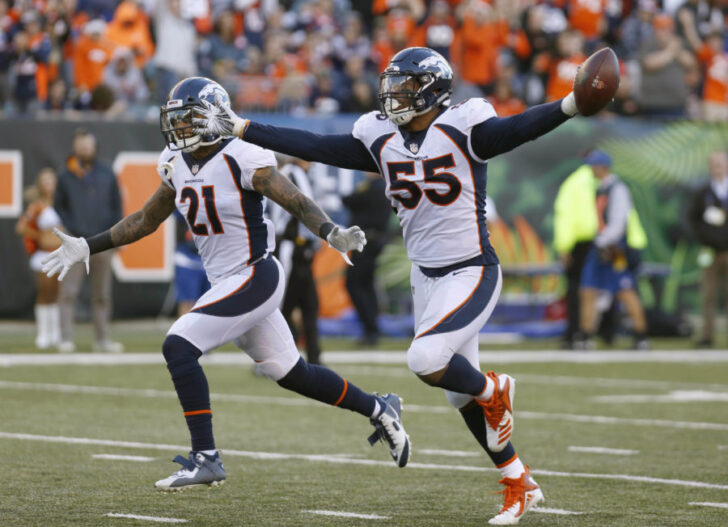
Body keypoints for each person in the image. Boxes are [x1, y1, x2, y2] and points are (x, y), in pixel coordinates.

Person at [193, 46, 608, 525]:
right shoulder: (380, 138)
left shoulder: (464, 126)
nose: (395, 94)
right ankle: (519, 483)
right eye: (393, 84)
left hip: (471, 268)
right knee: (458, 395)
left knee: (426, 359)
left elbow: (518, 128)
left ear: (432, 89)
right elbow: (314, 144)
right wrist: (244, 127)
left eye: (407, 86)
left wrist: (571, 104)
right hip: (425, 276)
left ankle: (496, 390)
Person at [42, 77, 410, 491]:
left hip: (255, 273)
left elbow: (295, 201)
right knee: (292, 372)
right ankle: (379, 408)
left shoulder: (242, 155)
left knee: (179, 345)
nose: (178, 128)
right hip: (227, 280)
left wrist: (330, 233)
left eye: (187, 118)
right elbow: (145, 221)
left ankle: (206, 457)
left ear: (213, 118)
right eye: (175, 119)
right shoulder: (175, 162)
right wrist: (88, 247)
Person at [54, 128, 123, 353]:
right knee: (69, 292)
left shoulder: (106, 172)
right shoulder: (66, 174)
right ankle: (65, 338)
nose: (84, 148)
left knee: (102, 294)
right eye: (81, 145)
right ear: (75, 147)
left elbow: (116, 204)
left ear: (94, 146)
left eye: (87, 144)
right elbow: (59, 206)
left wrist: (113, 235)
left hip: (102, 240)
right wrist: (71, 230)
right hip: (75, 241)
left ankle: (102, 339)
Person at [575, 151, 649, 351]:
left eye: (593, 165)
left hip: (615, 248)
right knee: (587, 289)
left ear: (602, 167)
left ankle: (641, 335)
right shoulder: (601, 188)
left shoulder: (617, 189)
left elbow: (618, 224)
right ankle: (585, 335)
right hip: (601, 245)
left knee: (625, 289)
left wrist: (603, 241)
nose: (591, 169)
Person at [267, 158, 323, 365]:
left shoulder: (302, 174)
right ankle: (272, 358)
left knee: (310, 305)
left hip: (303, 250)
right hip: (290, 247)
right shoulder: (290, 173)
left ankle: (314, 358)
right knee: (283, 306)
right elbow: (296, 210)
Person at [15, 168, 63, 349]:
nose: (50, 184)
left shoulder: (60, 203)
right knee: (44, 292)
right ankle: (43, 334)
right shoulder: (37, 206)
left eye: (52, 180)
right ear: (40, 185)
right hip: (43, 254)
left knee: (56, 293)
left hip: (60, 254)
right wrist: (39, 236)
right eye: (46, 181)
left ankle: (55, 334)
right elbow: (21, 227)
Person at [342, 172, 391, 346]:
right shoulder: (387, 188)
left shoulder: (370, 187)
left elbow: (349, 200)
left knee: (354, 284)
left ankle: (370, 329)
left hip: (365, 242)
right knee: (367, 285)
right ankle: (372, 328)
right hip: (376, 240)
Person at [553, 162, 598, 349]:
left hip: (586, 243)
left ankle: (578, 333)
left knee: (582, 289)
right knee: (583, 289)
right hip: (588, 244)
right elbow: (566, 216)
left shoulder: (578, 183)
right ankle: (580, 333)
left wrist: (564, 246)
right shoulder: (587, 183)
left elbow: (565, 216)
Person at [687, 150, 728, 348]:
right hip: (709, 251)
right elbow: (692, 219)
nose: (717, 167)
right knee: (708, 295)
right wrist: (704, 237)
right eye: (713, 164)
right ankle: (707, 335)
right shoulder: (702, 192)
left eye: (720, 163)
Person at [173, 212, 209, 316]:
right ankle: (183, 332)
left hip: (211, 258)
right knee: (187, 302)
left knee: (211, 304)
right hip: (187, 257)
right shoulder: (184, 198)